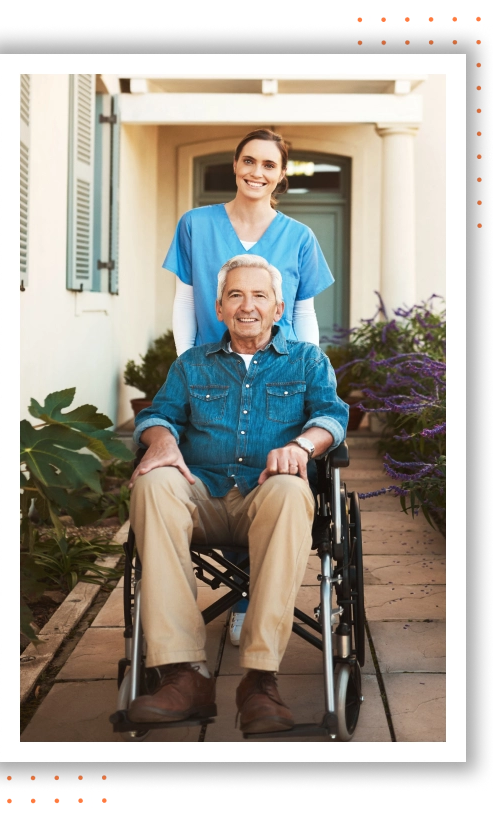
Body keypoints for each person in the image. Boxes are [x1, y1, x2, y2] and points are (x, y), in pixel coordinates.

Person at [127, 256, 348, 734]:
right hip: (201, 495)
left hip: (267, 499)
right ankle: (184, 674)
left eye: (259, 296)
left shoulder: (308, 361)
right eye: (235, 296)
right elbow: (156, 415)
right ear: (220, 308)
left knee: (292, 489)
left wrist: (300, 446)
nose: (247, 306)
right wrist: (161, 438)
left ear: (278, 308)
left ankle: (260, 680)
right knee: (154, 482)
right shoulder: (191, 365)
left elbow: (332, 417)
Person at [165, 128, 335, 645]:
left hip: (274, 374)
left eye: (268, 165)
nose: (256, 172)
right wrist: (191, 371)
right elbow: (183, 302)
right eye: (248, 161)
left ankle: (248, 598)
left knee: (266, 462)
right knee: (218, 460)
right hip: (211, 375)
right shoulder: (196, 225)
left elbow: (303, 314)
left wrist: (305, 371)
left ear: (282, 175)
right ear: (234, 165)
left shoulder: (299, 236)